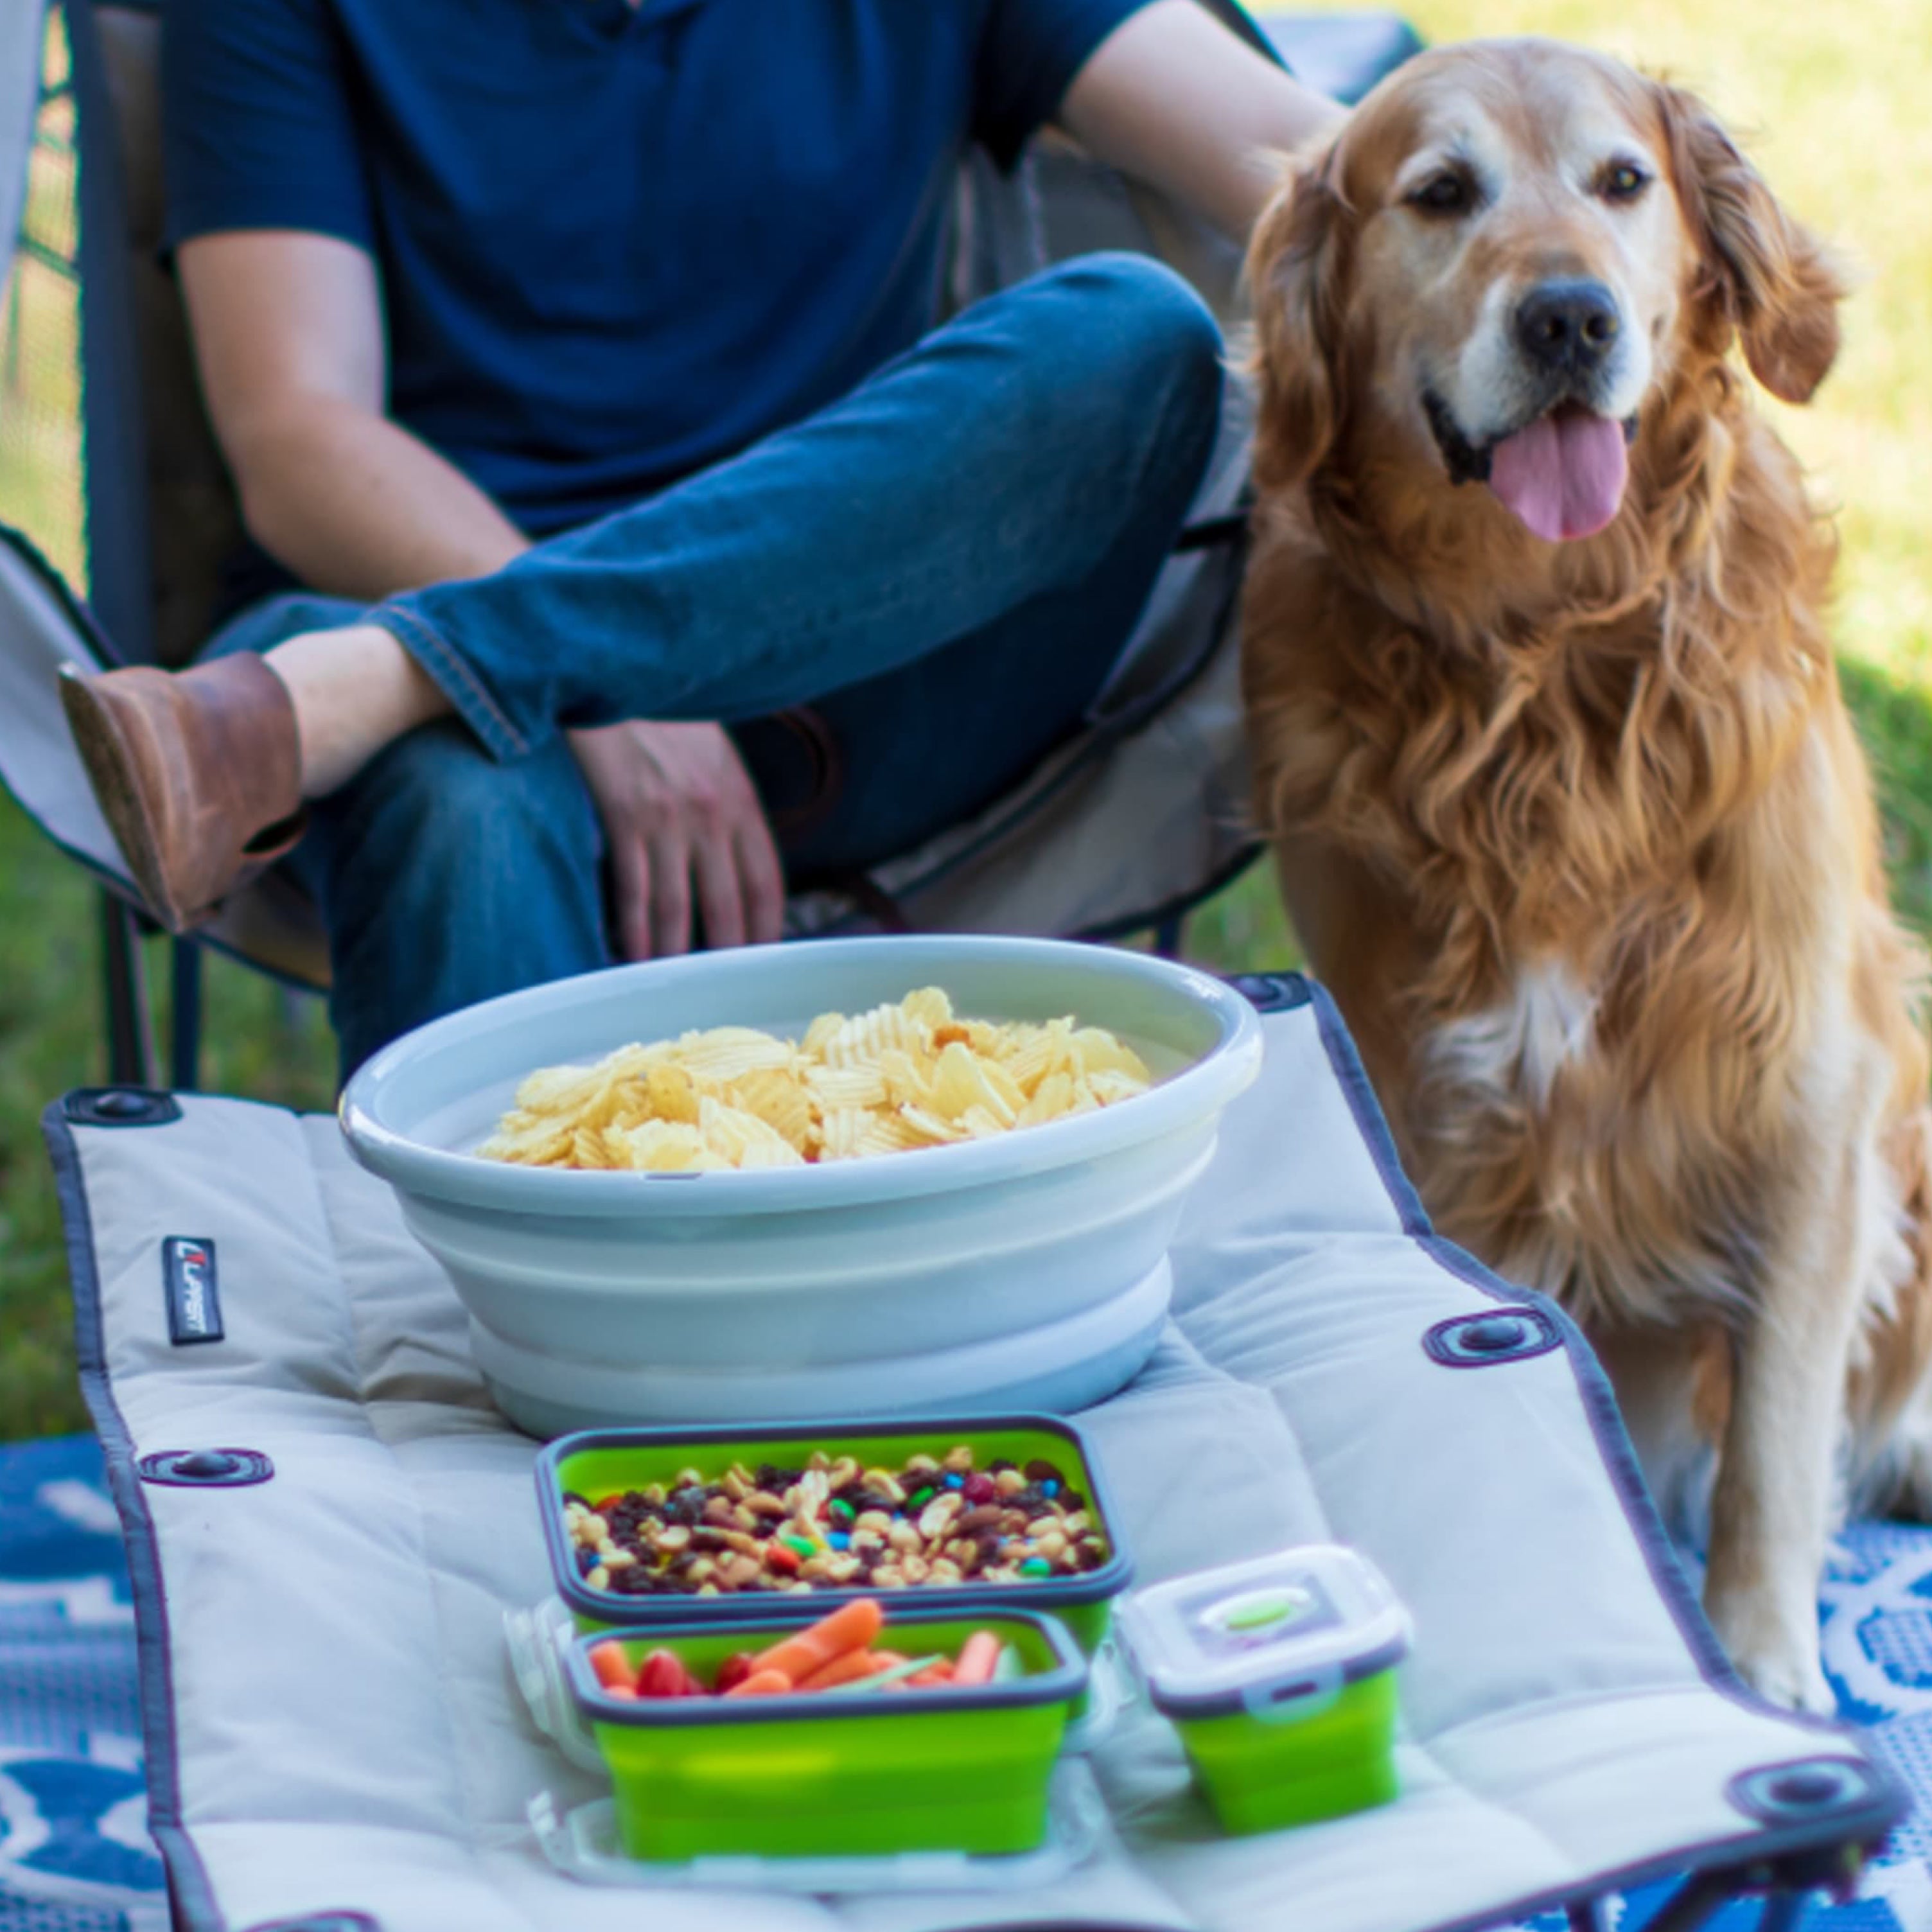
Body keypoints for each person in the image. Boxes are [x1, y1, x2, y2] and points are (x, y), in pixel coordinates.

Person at [63, 0, 1342, 1078]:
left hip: (842, 665)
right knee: (457, 777)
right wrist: (607, 698)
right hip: (431, 646)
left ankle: (392, 677)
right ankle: (558, 1291)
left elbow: (1333, 182)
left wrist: (524, 660)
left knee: (1131, 340)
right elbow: (297, 439)